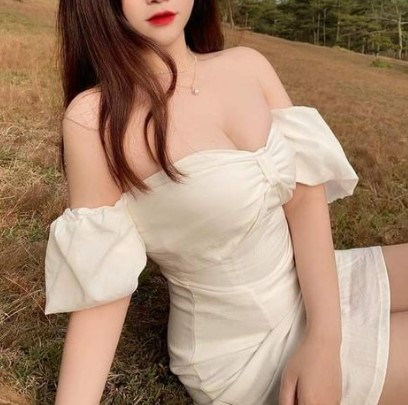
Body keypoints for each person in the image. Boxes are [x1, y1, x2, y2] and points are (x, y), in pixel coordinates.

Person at [43, 1, 408, 404]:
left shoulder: (248, 65)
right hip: (244, 351)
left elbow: (304, 198)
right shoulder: (95, 119)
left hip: (313, 285)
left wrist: (325, 336)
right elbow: (103, 286)